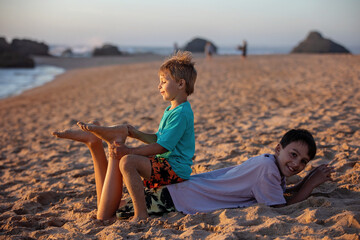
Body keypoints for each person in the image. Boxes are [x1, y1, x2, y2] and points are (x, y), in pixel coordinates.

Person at [52, 51, 197, 222]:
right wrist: (136, 134)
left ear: (181, 84)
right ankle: (94, 143)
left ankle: (140, 214)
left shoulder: (181, 113)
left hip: (174, 169)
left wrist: (129, 151)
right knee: (109, 205)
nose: (159, 86)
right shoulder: (171, 110)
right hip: (165, 165)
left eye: (164, 82)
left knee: (128, 162)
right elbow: (158, 139)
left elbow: (162, 147)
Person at [115, 129, 335, 219]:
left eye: (303, 162)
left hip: (180, 190)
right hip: (176, 199)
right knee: (116, 212)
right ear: (279, 149)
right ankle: (99, 147)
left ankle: (98, 147)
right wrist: (310, 185)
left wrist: (307, 179)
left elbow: (281, 193)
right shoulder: (268, 171)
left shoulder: (269, 163)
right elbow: (280, 207)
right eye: (293, 154)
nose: (296, 163)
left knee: (116, 205)